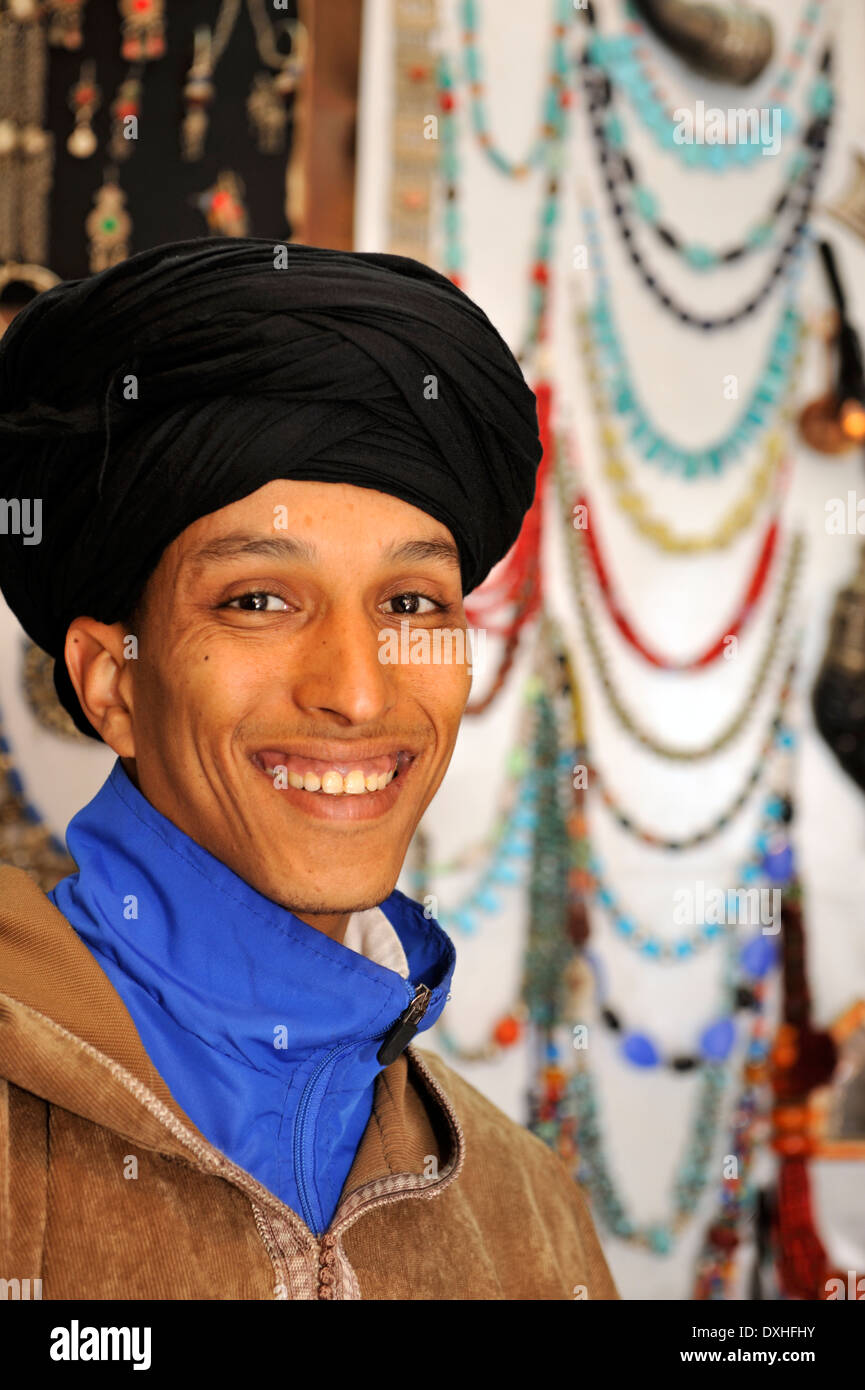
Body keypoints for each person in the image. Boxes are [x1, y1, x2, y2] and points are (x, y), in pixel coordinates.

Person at [0, 237, 618, 1301]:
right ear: (110, 683)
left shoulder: (527, 1213)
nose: (359, 691)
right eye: (258, 600)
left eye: (411, 605)